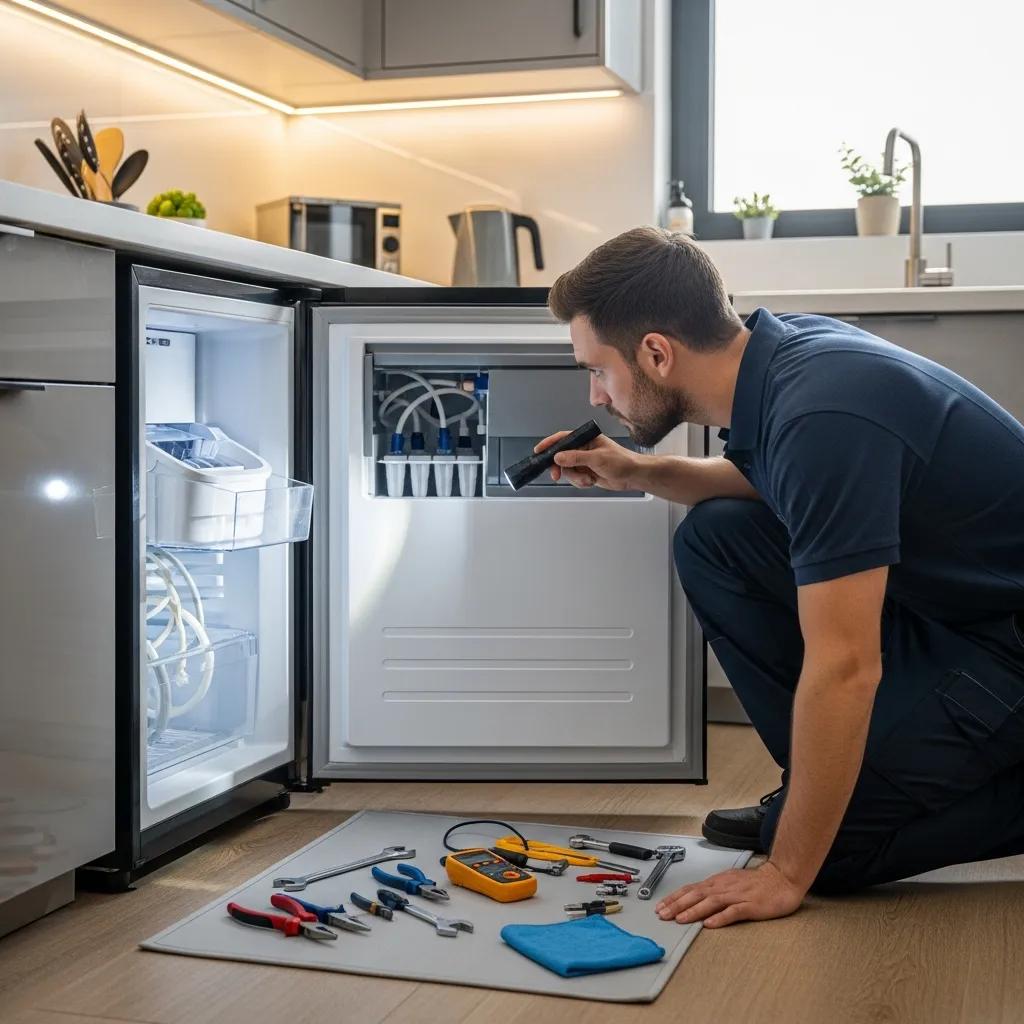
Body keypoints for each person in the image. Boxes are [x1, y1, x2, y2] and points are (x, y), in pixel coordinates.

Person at [537, 226, 1024, 929]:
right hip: (953, 613)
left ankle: (844, 815)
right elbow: (779, 484)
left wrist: (787, 872)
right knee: (717, 538)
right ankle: (822, 785)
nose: (598, 396)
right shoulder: (783, 355)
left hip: (1005, 645)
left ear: (655, 353)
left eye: (600, 370)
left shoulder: (824, 413)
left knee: (831, 856)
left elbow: (848, 666)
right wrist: (638, 470)